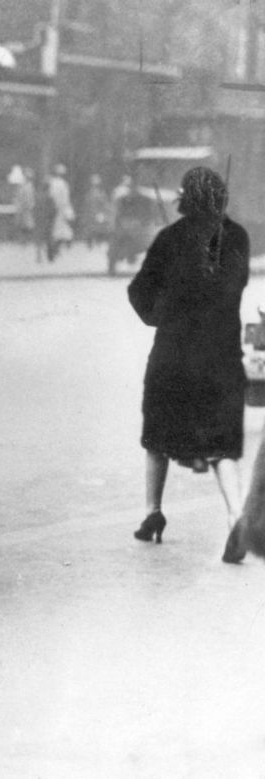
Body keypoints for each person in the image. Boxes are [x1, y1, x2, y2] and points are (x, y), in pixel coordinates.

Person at [127, 166, 249, 550]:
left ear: (185, 199)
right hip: (221, 357)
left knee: (157, 436)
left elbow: (139, 291)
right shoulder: (238, 238)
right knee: (221, 444)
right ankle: (235, 517)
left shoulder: (169, 238)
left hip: (174, 355)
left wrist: (159, 315)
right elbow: (234, 285)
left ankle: (152, 512)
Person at [47, 163, 75, 261]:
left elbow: (50, 197)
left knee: (56, 233)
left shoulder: (51, 183)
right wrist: (68, 211)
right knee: (62, 233)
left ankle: (54, 251)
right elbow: (65, 199)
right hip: (60, 211)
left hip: (53, 210)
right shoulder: (63, 184)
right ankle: (54, 251)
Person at [80, 173, 112, 248]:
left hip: (94, 213)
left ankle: (93, 241)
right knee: (95, 228)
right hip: (94, 213)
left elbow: (103, 203)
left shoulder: (92, 193)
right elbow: (104, 203)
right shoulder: (96, 193)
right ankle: (94, 241)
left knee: (94, 228)